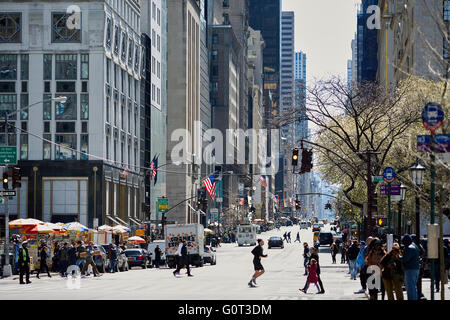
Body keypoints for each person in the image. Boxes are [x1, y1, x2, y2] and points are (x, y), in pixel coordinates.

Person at [400, 234, 420, 300]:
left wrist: (398, 257)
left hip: (410, 269)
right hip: (416, 268)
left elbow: (404, 259)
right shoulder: (415, 246)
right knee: (413, 287)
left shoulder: (409, 248)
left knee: (410, 287)